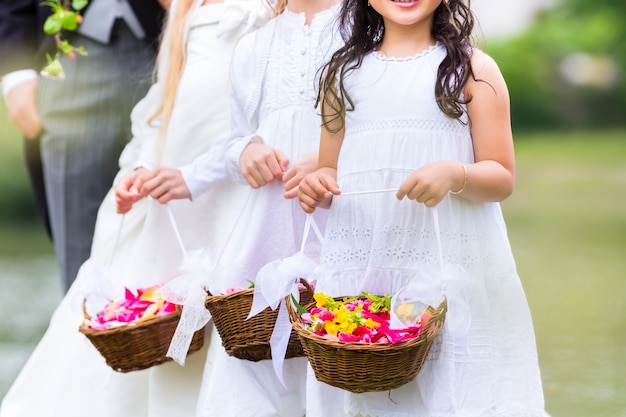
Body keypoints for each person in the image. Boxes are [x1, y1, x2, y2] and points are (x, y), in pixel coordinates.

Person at [0, 0, 270, 416]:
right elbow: (167, 99)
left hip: (242, 151)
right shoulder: (187, 16)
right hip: (95, 65)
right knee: (117, 265)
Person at [297, 0, 545, 416]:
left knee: (459, 387)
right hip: (368, 270)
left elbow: (501, 176)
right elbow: (328, 169)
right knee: (372, 392)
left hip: (449, 263)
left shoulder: (473, 70)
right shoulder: (342, 76)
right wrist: (316, 185)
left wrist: (454, 173)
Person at [132, 0, 342, 414]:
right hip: (271, 227)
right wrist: (246, 151)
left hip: (340, 221)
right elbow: (237, 135)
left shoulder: (363, 28)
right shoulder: (254, 46)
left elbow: (386, 127)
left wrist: (331, 159)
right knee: (254, 364)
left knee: (338, 348)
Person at [0, 0, 166, 292]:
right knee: (80, 261)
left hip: (169, 44)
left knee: (173, 232)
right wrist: (15, 71)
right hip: (67, 55)